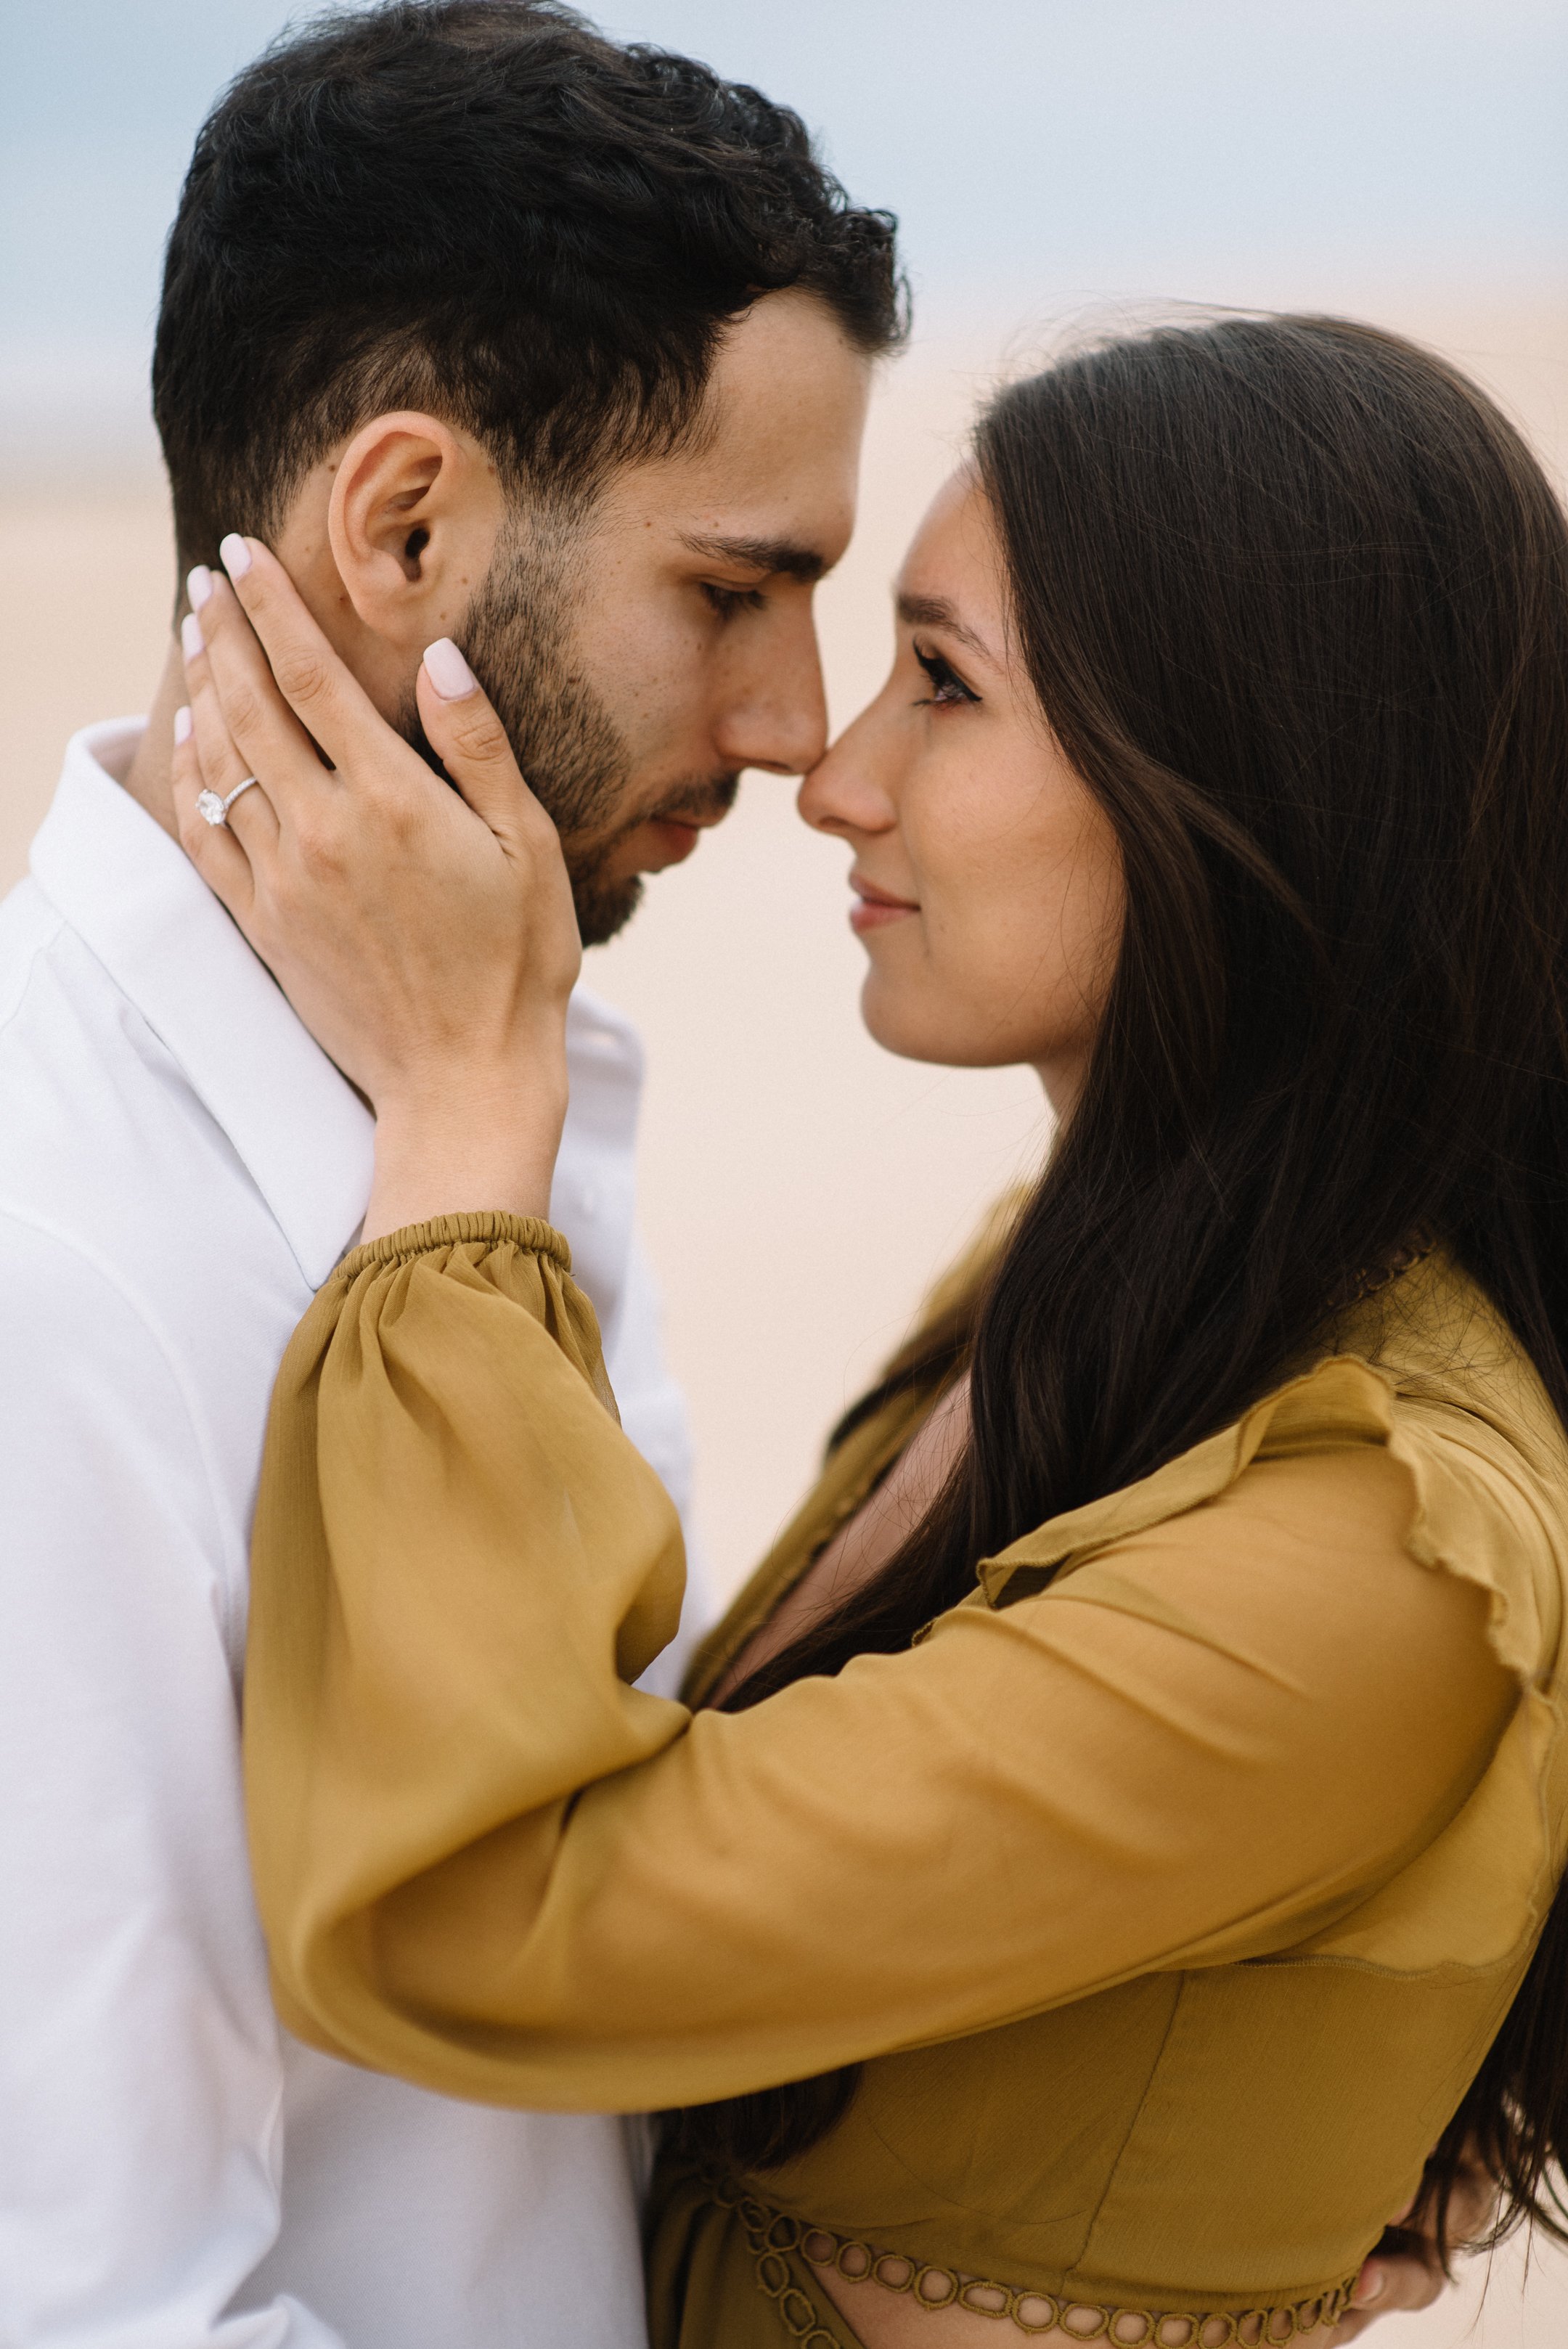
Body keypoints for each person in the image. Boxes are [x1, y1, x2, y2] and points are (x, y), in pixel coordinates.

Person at [172, 311, 1568, 2349]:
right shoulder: (1081, 1286)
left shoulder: (1378, 1540)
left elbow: (496, 1914)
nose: (833, 776)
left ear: (1248, 764)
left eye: (944, 683)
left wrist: (471, 1134)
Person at [0, 4, 903, 2342]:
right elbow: (102, 2302)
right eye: (733, 589)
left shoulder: (491, 1080)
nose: (804, 728)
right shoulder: (53, 1262)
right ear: (408, 525)